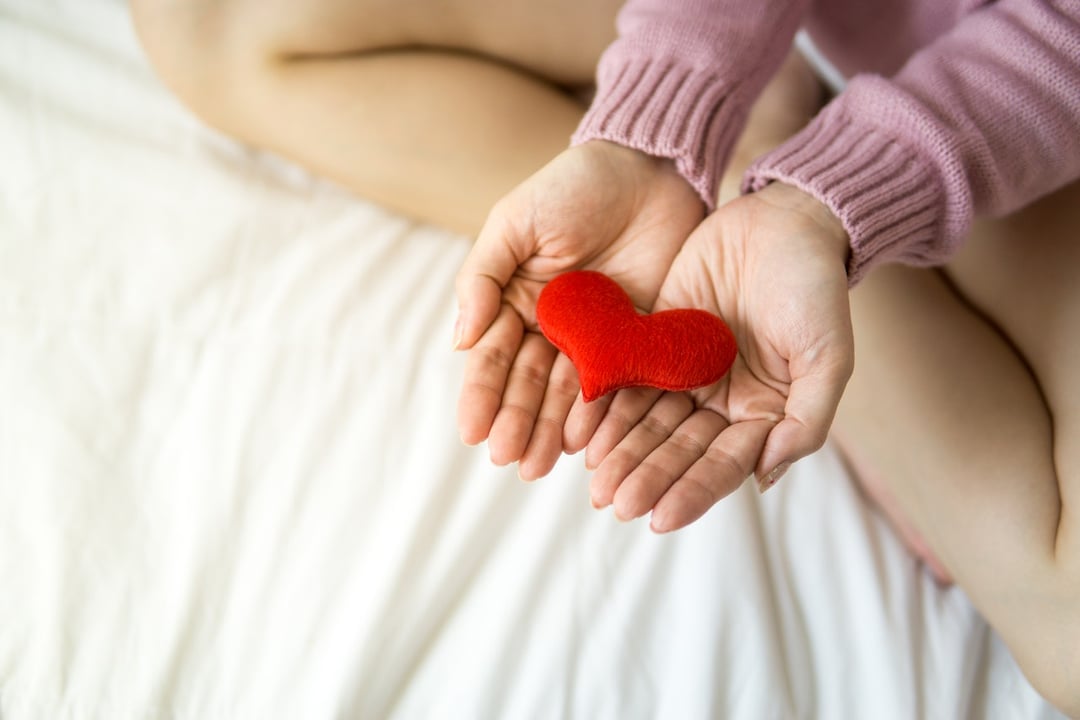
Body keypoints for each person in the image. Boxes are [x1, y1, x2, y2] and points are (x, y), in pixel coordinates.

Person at [130, 0, 1079, 713]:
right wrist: (651, 122)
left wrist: (829, 200)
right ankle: (744, 204)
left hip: (1033, 108)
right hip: (752, 20)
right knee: (199, 20)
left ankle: (776, 235)